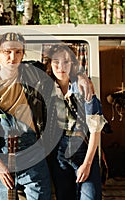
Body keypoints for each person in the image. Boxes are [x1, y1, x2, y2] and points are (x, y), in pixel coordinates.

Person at [0, 32, 56, 200]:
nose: (13, 57)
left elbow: (61, 70)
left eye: (18, 52)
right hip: (0, 152)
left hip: (33, 149)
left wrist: (83, 79)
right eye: (7, 52)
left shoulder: (33, 73)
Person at [45, 44, 106, 200]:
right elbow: (19, 66)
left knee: (90, 196)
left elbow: (95, 129)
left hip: (83, 148)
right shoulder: (47, 88)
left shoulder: (83, 86)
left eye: (66, 62)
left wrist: (87, 164)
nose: (61, 67)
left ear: (73, 64)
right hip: (58, 151)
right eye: (56, 62)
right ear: (50, 64)